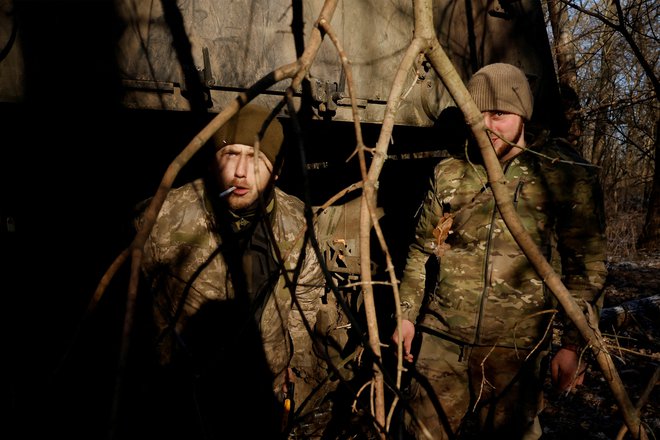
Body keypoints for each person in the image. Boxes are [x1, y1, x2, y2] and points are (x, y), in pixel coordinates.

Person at [390, 63, 608, 439]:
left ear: (523, 113)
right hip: (443, 342)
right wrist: (406, 315)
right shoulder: (451, 172)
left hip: (518, 349)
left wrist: (574, 345)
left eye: (499, 115)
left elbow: (586, 266)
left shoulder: (564, 172)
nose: (487, 126)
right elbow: (420, 252)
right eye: (478, 115)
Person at [132, 103, 326, 439]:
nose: (239, 171)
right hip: (186, 393)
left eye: (255, 158)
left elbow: (306, 296)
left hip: (261, 388)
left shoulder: (298, 225)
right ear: (211, 161)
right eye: (230, 154)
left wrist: (293, 369)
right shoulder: (161, 218)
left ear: (277, 169)